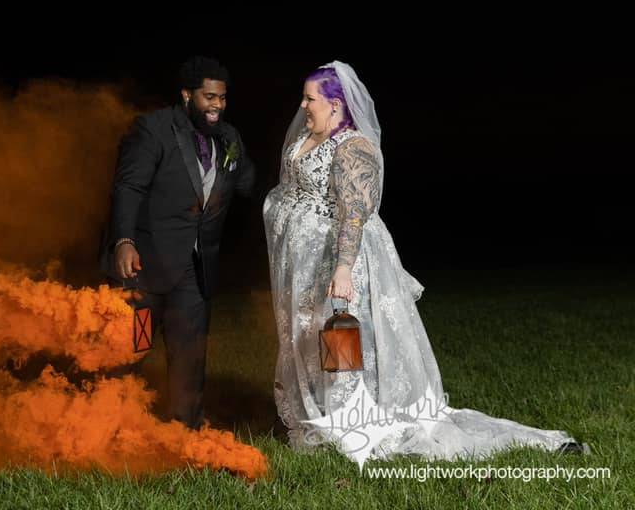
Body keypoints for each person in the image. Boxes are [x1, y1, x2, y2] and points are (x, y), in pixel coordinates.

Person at [263, 61, 581, 459]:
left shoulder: (354, 148)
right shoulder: (308, 136)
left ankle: (351, 416)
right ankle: (320, 408)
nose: (303, 105)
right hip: (306, 265)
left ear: (335, 105)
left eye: (310, 98)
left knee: (340, 337)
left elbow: (355, 212)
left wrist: (343, 267)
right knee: (308, 335)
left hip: (340, 264)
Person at [100, 56, 255, 429]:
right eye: (209, 97)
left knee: (189, 353)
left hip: (195, 270)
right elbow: (129, 186)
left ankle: (185, 427)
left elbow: (247, 184)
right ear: (187, 95)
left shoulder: (229, 137)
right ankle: (111, 425)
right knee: (130, 349)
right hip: (145, 270)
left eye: (222, 98)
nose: (217, 105)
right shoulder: (153, 129)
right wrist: (124, 240)